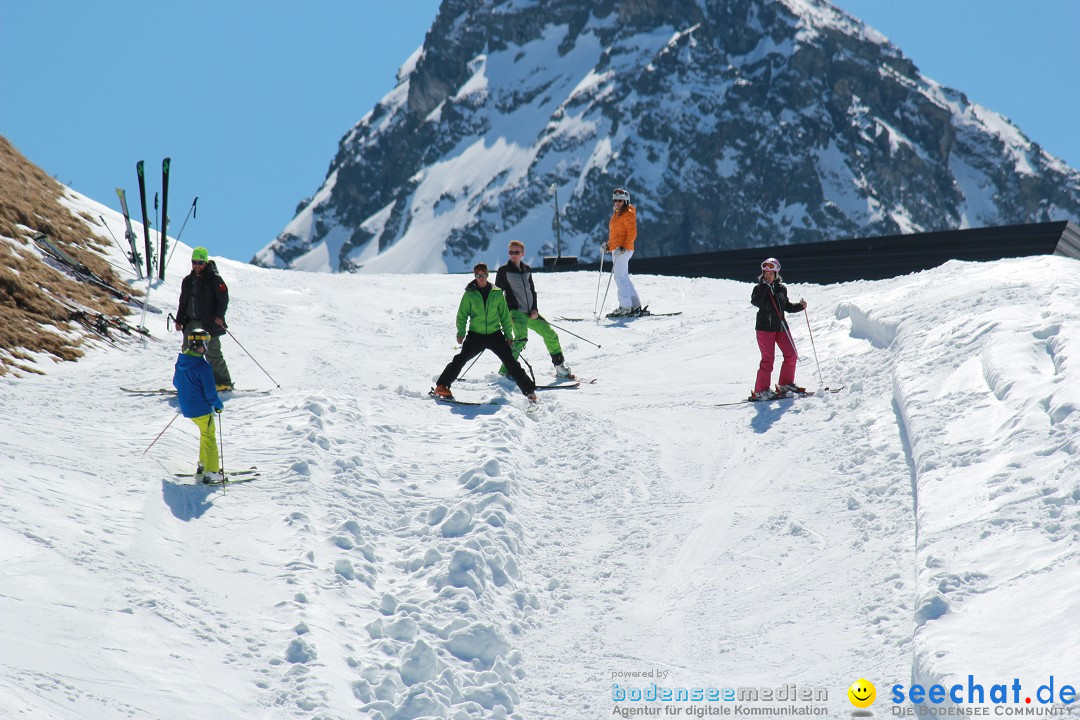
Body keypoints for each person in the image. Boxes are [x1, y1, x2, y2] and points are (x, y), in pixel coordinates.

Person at [434, 263, 538, 403]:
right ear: (475, 276)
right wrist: (461, 332)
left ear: (487, 275)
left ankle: (529, 392)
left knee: (511, 362)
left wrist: (508, 335)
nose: (481, 278)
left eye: (483, 275)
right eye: (478, 275)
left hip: (495, 335)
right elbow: (462, 315)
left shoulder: (496, 292)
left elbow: (504, 316)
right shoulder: (470, 294)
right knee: (460, 359)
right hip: (475, 335)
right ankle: (442, 386)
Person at [495, 240, 573, 379]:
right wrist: (503, 314)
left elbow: (532, 291)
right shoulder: (503, 271)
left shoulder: (526, 269)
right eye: (511, 252)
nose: (513, 255)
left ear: (522, 253)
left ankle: (559, 366)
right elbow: (497, 295)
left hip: (530, 313)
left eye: (516, 252)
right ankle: (505, 371)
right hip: (515, 312)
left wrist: (534, 309)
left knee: (550, 334)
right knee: (520, 339)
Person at [175, 247, 233, 391]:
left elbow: (223, 298)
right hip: (190, 322)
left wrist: (220, 316)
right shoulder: (188, 281)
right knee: (187, 353)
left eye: (200, 262)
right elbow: (183, 301)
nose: (197, 266)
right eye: (194, 262)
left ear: (206, 263)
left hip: (209, 323)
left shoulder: (215, 279)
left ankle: (223, 383)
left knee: (213, 353)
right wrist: (179, 319)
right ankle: (189, 383)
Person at [172, 328, 225, 483]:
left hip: (187, 407)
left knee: (204, 433)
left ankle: (203, 465)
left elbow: (176, 382)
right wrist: (218, 404)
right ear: (202, 344)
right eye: (206, 343)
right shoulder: (202, 366)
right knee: (209, 437)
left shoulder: (182, 361)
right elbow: (210, 392)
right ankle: (212, 471)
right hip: (201, 409)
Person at [750, 257, 807, 400]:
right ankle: (760, 391)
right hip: (765, 328)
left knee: (791, 354)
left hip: (781, 327)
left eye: (770, 273)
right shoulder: (759, 288)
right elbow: (756, 301)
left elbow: (786, 307)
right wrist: (764, 286)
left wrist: (800, 306)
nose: (767, 275)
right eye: (765, 272)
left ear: (776, 273)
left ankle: (786, 384)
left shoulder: (781, 289)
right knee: (768, 359)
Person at [602, 187, 643, 317]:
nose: (617, 203)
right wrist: (608, 246)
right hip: (618, 249)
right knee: (624, 277)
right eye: (615, 200)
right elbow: (617, 235)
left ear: (626, 201)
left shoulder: (628, 213)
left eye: (620, 200)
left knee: (619, 277)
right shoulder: (617, 213)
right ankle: (635, 305)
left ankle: (625, 307)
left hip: (623, 250)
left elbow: (632, 232)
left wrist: (624, 247)